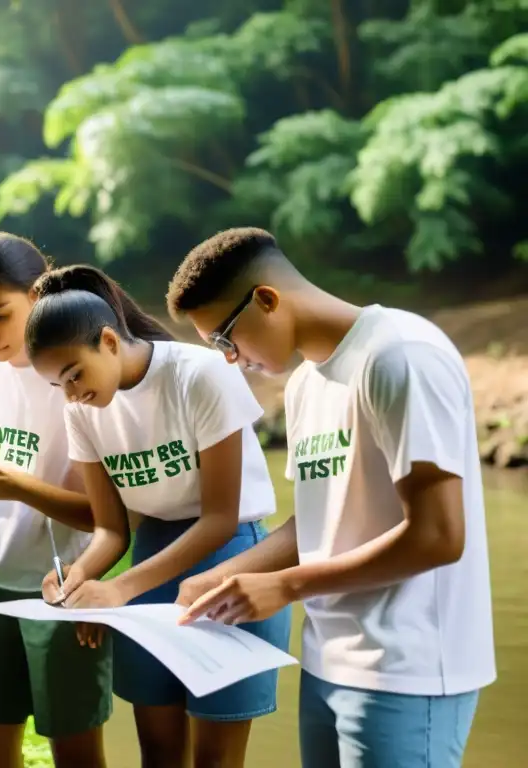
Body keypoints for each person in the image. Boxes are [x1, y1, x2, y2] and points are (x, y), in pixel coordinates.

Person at [168, 227, 496, 768]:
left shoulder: (399, 356)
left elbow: (438, 535)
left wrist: (285, 586)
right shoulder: (305, 386)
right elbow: (317, 523)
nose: (230, 359)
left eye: (226, 339)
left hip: (407, 668)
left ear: (267, 300)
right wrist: (220, 580)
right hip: (326, 661)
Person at [25, 264, 290, 768]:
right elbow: (110, 529)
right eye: (58, 384)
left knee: (215, 759)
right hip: (152, 560)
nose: (71, 393)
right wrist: (81, 582)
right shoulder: (80, 411)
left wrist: (120, 590)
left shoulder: (200, 374)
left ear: (107, 340)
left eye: (75, 374)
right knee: (160, 752)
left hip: (231, 553)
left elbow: (218, 518)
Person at [0, 232, 112, 768]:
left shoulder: (76, 374)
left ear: (37, 295)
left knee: (75, 744)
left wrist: (17, 487)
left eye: (0, 316)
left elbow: (99, 513)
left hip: (65, 580)